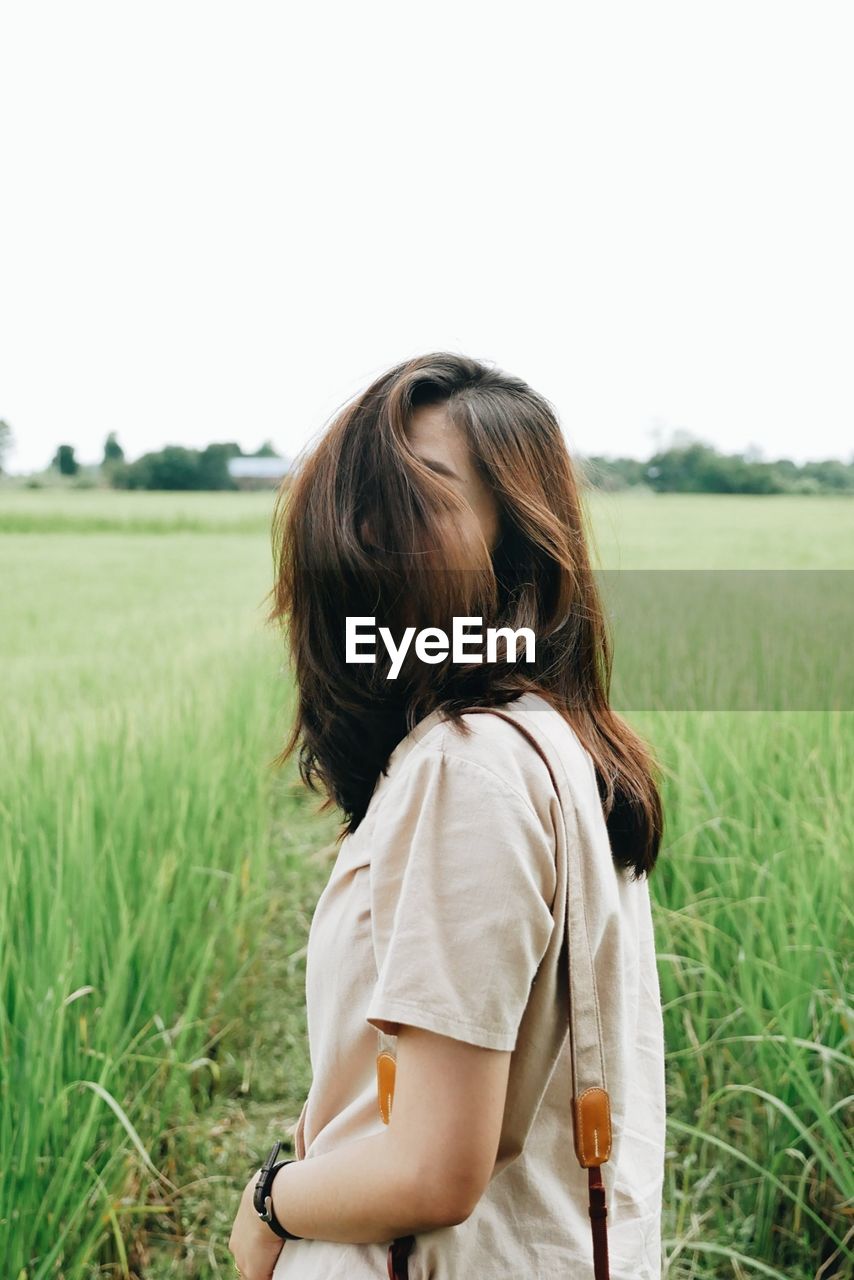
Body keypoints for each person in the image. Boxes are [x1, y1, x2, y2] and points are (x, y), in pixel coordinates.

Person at [228, 352, 666, 1279]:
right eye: (364, 502)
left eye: (423, 499)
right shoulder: (555, 739)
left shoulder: (466, 768)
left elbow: (433, 1171)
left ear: (519, 554)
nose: (370, 533)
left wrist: (268, 1203)